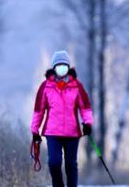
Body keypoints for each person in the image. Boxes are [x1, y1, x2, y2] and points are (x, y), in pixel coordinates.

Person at [30, 50, 93, 187]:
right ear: (54, 68)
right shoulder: (45, 87)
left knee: (71, 164)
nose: (62, 69)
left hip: (72, 133)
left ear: (68, 67)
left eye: (64, 66)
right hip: (53, 133)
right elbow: (38, 111)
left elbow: (85, 107)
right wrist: (35, 131)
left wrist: (87, 123)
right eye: (59, 66)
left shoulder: (77, 86)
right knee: (54, 162)